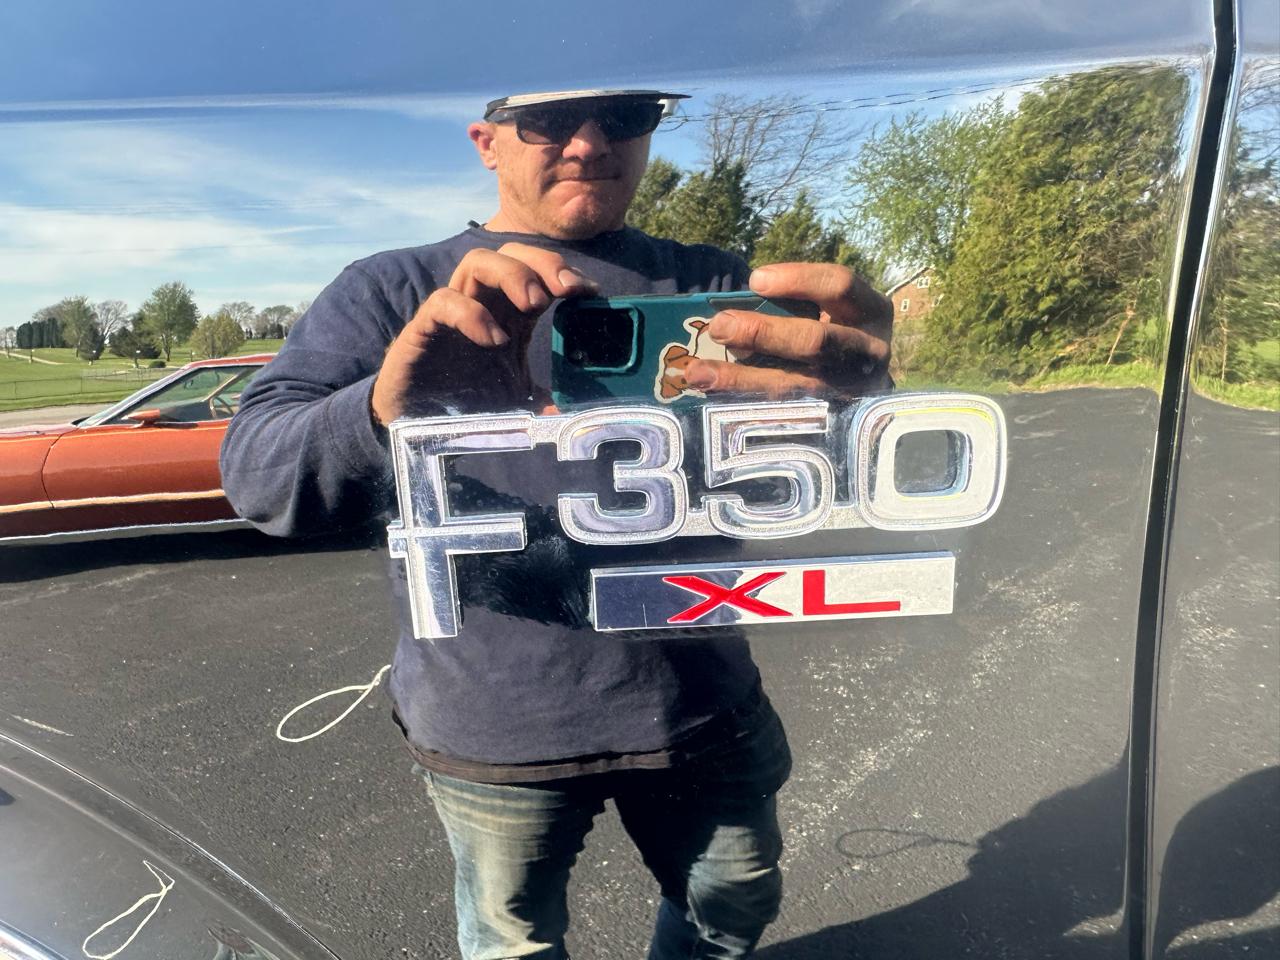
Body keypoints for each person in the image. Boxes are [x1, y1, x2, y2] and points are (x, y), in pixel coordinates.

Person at [220, 88, 891, 960]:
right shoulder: (394, 289)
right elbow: (259, 479)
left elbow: (820, 476)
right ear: (487, 142)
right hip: (494, 722)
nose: (587, 142)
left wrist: (860, 401)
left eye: (626, 114)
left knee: (732, 908)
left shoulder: (714, 285)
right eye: (547, 120)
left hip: (697, 701)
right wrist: (384, 406)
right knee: (514, 946)